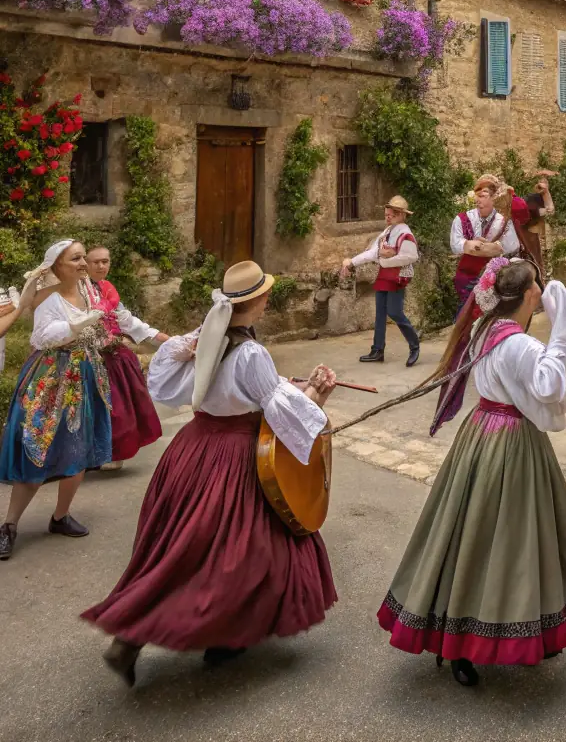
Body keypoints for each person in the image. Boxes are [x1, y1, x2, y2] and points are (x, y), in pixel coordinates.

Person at [82, 260, 338, 686]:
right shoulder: (251, 352)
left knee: (181, 549)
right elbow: (279, 415)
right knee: (243, 552)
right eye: (266, 294)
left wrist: (297, 391)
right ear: (256, 302)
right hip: (237, 458)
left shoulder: (201, 339)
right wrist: (317, 397)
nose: (269, 298)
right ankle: (164, 635)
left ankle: (184, 636)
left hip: (193, 451)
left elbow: (204, 387)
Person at [378, 260, 566, 686]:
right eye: (536, 285)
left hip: (480, 432)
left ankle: (472, 634)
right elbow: (550, 387)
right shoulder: (519, 344)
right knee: (511, 539)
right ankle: (471, 638)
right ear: (529, 295)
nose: (541, 291)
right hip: (512, 443)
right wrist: (561, 332)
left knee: (471, 535)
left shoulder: (484, 329)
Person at [0, 241, 112, 560]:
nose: (82, 262)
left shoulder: (91, 289)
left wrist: (154, 337)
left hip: (83, 375)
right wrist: (73, 327)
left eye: (82, 257)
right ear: (57, 267)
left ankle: (60, 516)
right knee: (36, 448)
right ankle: (8, 525)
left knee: (76, 446)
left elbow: (113, 318)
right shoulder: (49, 298)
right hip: (50, 378)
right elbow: (41, 338)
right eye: (75, 258)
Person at [85, 246, 168, 472]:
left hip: (109, 355)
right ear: (85, 264)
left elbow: (128, 322)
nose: (102, 266)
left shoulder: (108, 290)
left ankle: (111, 452)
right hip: (85, 356)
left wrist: (168, 340)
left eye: (105, 261)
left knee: (117, 408)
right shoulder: (76, 292)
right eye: (96, 262)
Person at [344, 195, 421, 367]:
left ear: (401, 215)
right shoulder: (387, 232)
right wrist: (352, 262)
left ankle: (414, 345)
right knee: (380, 313)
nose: (387, 217)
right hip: (385, 275)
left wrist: (385, 260)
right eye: (386, 214)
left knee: (395, 312)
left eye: (391, 214)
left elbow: (410, 256)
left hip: (396, 277)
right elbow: (373, 252)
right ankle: (377, 350)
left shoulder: (406, 234)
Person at [450, 174, 520, 317]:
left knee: (488, 315)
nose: (477, 199)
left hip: (493, 278)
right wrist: (472, 245)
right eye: (477, 195)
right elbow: (455, 244)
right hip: (467, 276)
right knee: (466, 313)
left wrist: (480, 247)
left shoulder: (503, 221)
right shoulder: (462, 219)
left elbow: (510, 246)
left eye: (483, 195)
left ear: (493, 197)